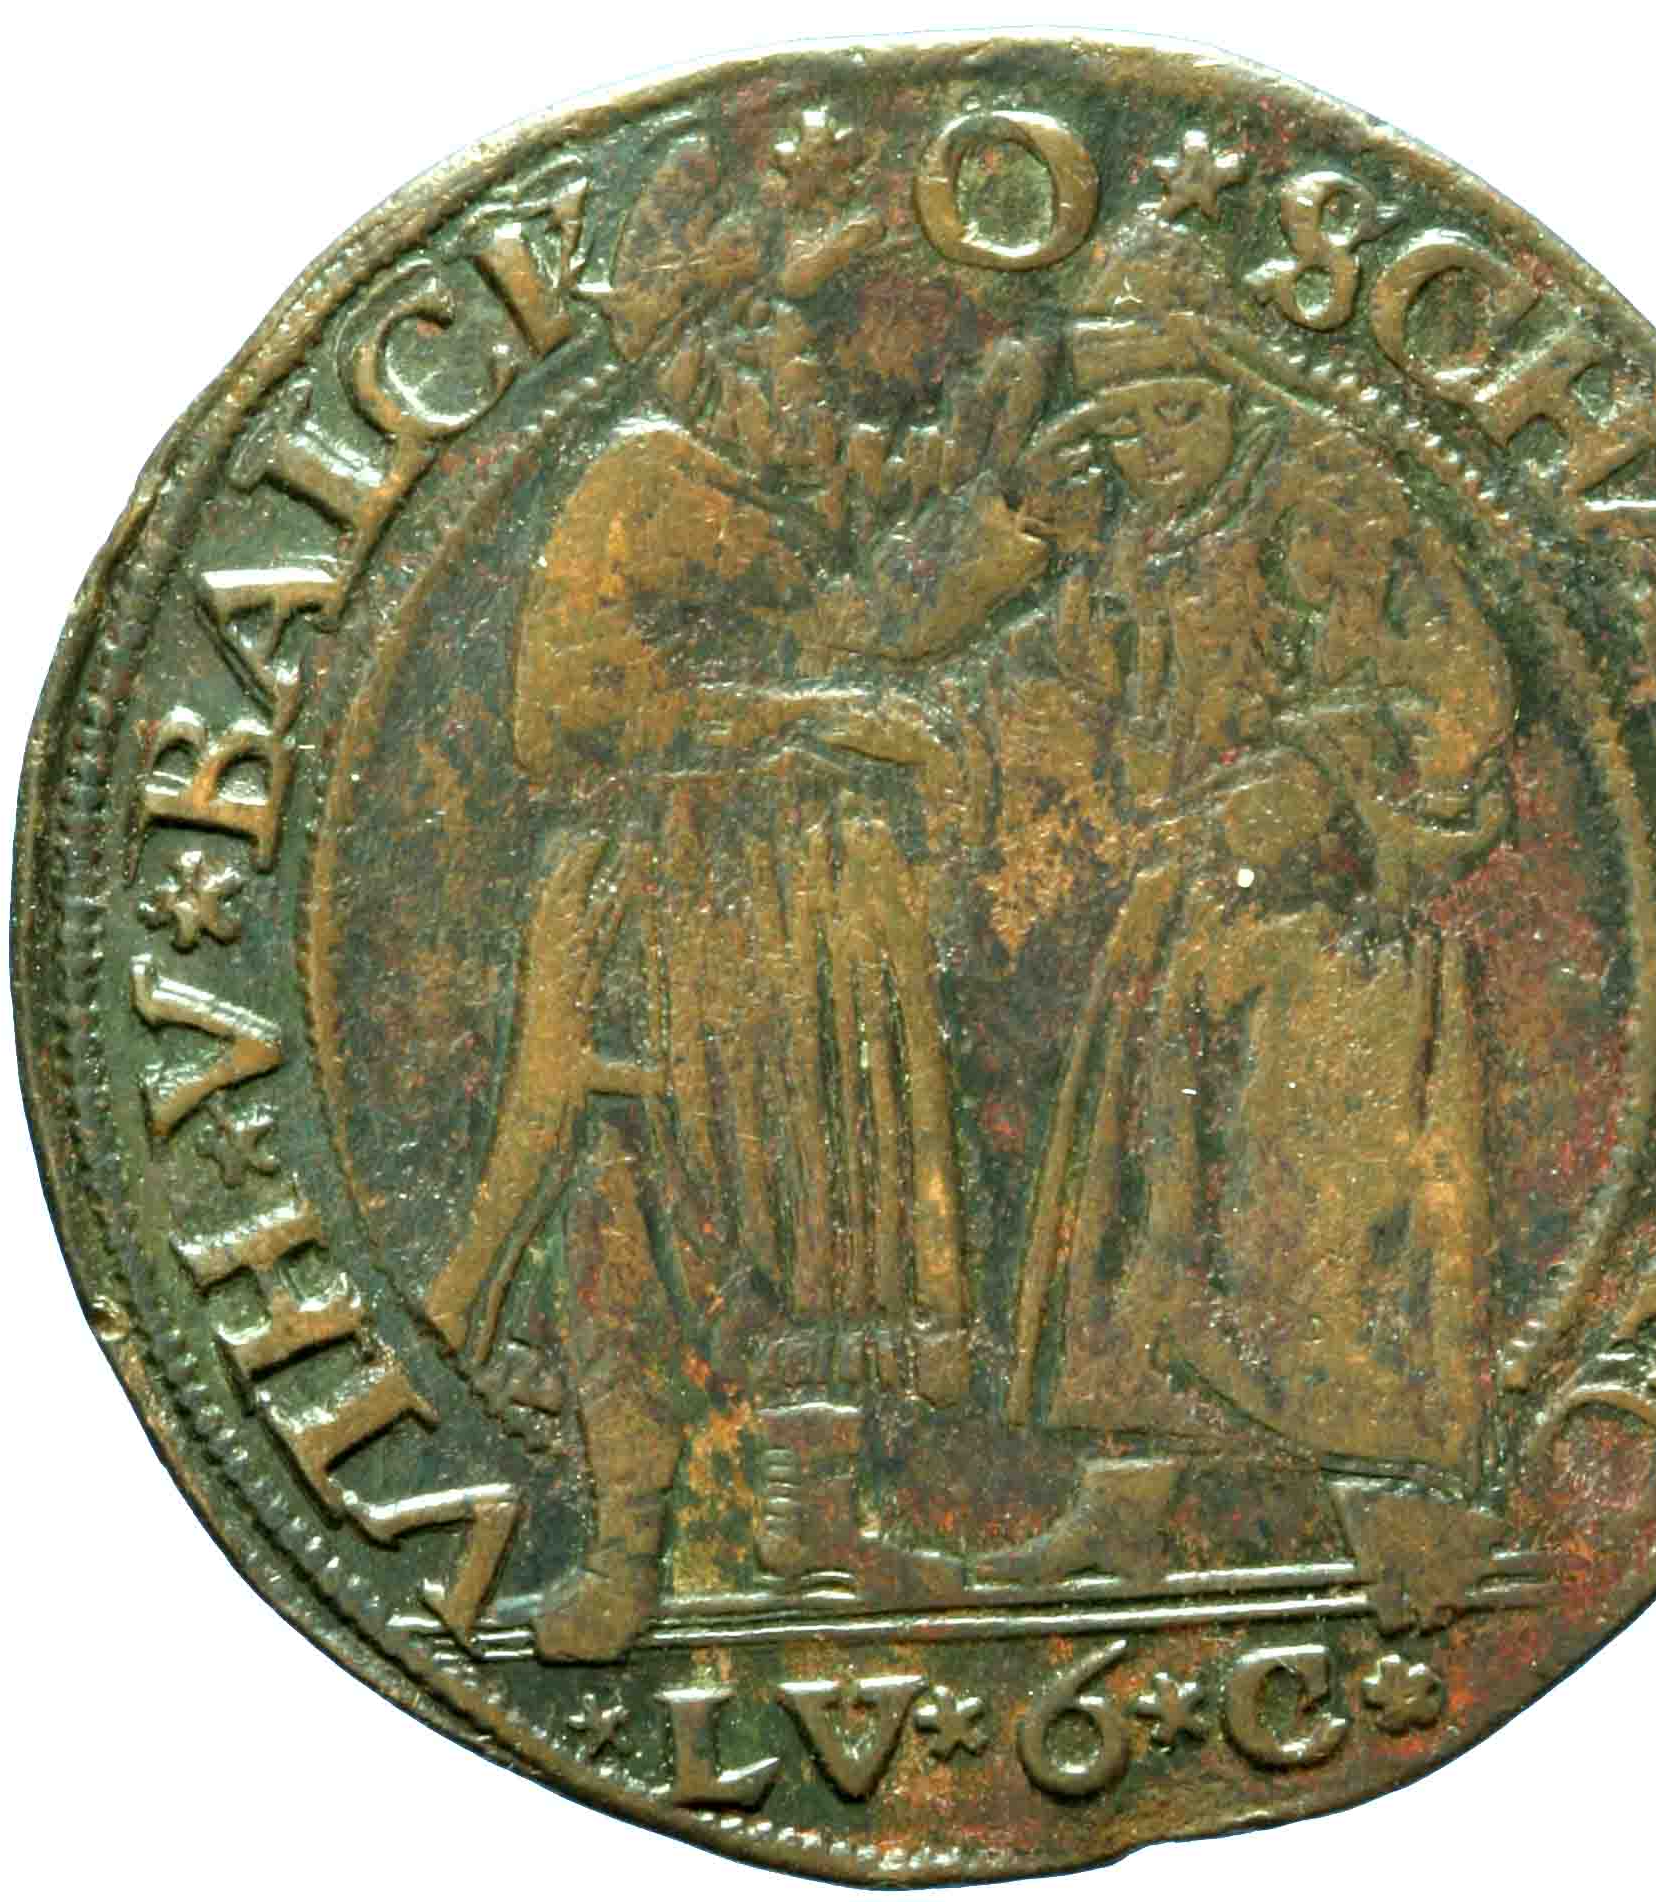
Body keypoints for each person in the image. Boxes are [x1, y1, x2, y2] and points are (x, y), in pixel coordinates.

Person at [421, 133, 1054, 1659]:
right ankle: (630, 1543)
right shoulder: (648, 483)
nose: (821, 371)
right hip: (677, 898)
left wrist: (997, 499)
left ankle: (808, 1517)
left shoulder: (778, 486)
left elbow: (872, 608)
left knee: (828, 1211)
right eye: (788, 335)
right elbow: (568, 714)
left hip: (803, 902)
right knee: (635, 1208)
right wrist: (815, 717)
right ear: (717, 352)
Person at [991, 206, 1516, 1627]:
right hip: (1182, 916)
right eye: (1122, 423)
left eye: (1173, 410)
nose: (1150, 445)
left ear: (1232, 383)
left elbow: (1458, 693)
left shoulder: (1326, 495)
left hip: (1327, 941)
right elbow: (1078, 686)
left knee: (1320, 1235)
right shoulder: (1141, 532)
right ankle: (1123, 1514)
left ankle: (1405, 1535)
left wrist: (1321, 781)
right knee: (1142, 1218)